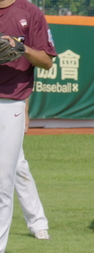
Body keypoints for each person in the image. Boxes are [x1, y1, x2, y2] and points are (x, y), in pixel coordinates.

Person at [0, 0, 56, 253]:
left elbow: (46, 61)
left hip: (11, 104)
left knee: (4, 183)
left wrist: (19, 47)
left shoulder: (30, 14)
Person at [16, 100, 51, 240]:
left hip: (8, 108)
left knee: (19, 167)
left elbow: (22, 82)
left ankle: (38, 225)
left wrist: (24, 111)